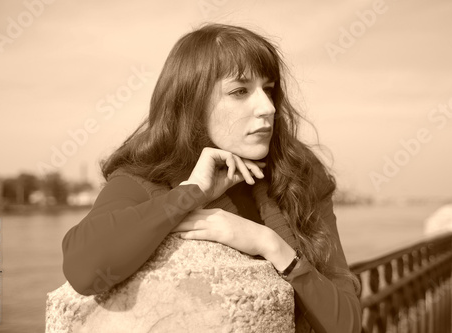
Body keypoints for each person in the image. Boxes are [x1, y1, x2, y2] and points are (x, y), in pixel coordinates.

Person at [62, 23, 362, 332]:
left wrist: (269, 244)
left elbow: (348, 324)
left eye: (268, 89)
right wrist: (190, 193)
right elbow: (83, 269)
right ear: (192, 104)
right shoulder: (144, 177)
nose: (268, 107)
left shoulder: (299, 175)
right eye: (239, 91)